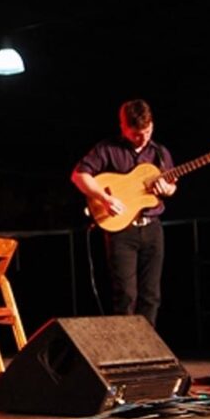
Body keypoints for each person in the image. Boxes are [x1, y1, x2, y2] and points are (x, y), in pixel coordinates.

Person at [71, 98, 177, 327]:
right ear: (124, 127)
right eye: (136, 133)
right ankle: (124, 351)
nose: (143, 138)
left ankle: (147, 350)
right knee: (126, 295)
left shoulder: (160, 153)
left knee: (152, 295)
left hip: (152, 228)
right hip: (122, 231)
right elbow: (79, 176)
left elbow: (171, 186)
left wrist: (167, 189)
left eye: (147, 131)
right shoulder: (107, 149)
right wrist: (105, 198)